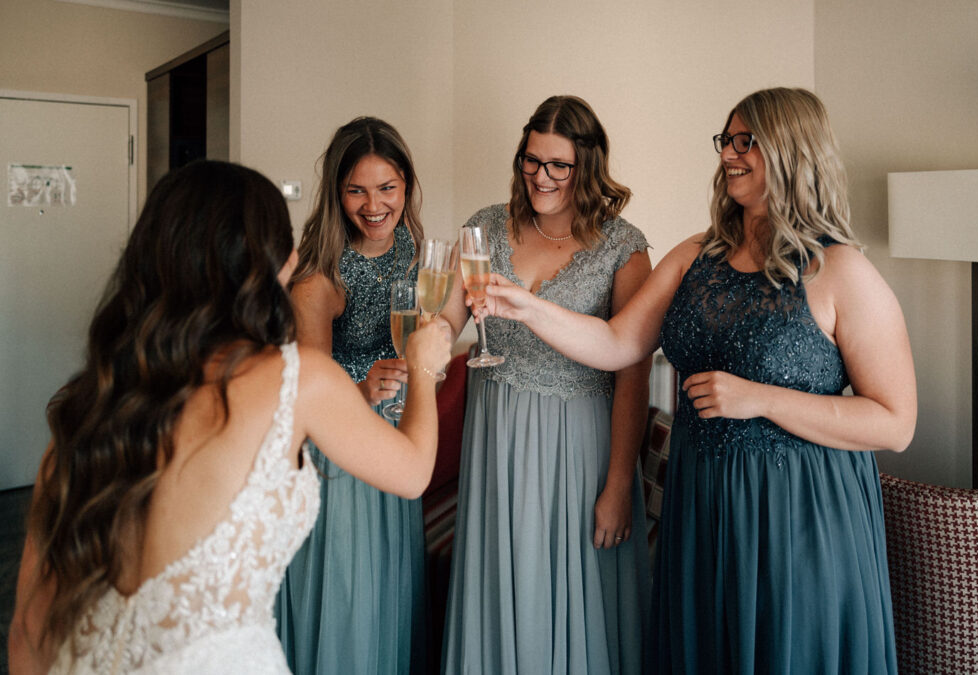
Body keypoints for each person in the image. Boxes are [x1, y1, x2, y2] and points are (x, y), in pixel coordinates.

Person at [481, 87, 915, 673]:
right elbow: (617, 343)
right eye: (726, 140)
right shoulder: (696, 254)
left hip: (796, 512)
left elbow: (895, 422)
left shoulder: (840, 269)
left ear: (792, 150)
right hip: (701, 499)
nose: (728, 154)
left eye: (746, 141)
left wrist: (759, 399)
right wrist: (526, 307)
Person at [7, 160, 449, 674]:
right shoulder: (297, 379)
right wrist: (422, 365)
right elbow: (413, 473)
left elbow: (28, 630)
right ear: (268, 262)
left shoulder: (86, 405)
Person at [437, 95, 653, 673]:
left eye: (559, 165)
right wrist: (424, 342)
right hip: (495, 433)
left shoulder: (624, 248)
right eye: (532, 160)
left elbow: (634, 375)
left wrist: (618, 486)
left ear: (588, 166)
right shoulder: (485, 227)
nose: (541, 176)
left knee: (571, 585)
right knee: (500, 578)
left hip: (577, 444)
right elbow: (448, 319)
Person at [274, 117, 430, 674]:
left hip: (401, 439)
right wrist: (362, 388)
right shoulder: (319, 276)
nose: (374, 205)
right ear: (336, 194)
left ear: (406, 184)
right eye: (356, 191)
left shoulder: (413, 249)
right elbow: (311, 391)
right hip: (343, 453)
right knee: (351, 594)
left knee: (389, 587)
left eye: (387, 187)